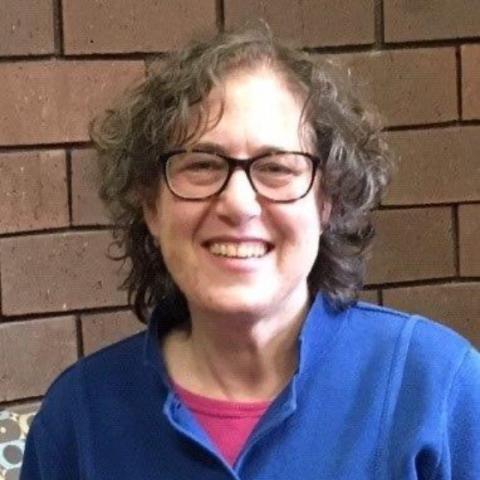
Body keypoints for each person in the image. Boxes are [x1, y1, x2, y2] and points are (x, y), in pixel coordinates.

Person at [21, 27, 480, 479]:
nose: (238, 204)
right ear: (150, 206)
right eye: (202, 165)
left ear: (327, 203)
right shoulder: (77, 421)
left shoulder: (438, 390)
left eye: (277, 167)